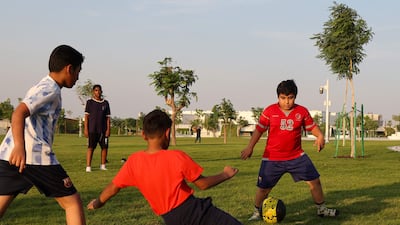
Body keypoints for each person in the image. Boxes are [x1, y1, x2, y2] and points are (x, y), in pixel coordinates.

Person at [87, 109, 243, 225]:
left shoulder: (133, 162)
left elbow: (113, 187)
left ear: (143, 134)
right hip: (196, 213)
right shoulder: (176, 157)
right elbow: (202, 184)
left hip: (171, 219)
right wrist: (226, 174)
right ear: (167, 133)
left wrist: (97, 202)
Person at [0, 45, 86, 224]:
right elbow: (18, 113)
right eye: (78, 71)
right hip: (34, 156)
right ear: (69, 68)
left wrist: (17, 149)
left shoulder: (43, 85)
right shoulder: (50, 89)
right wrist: (20, 147)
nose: (78, 77)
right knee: (73, 203)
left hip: (9, 156)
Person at [240, 79, 338, 220]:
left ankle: (321, 209)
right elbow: (258, 130)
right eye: (283, 98)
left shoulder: (301, 111)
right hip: (272, 158)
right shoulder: (269, 111)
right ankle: (256, 212)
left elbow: (312, 128)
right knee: (263, 189)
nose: (287, 102)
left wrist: (320, 136)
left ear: (295, 97)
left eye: (290, 98)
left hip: (296, 156)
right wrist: (250, 147)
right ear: (278, 97)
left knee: (314, 181)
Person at [84, 84, 111, 172]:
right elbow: (86, 117)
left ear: (101, 91)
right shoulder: (89, 102)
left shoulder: (105, 103)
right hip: (92, 129)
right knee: (90, 147)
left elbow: (108, 118)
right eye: (96, 90)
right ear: (93, 92)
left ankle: (102, 165)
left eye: (99, 90)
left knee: (104, 147)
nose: (97, 92)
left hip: (103, 130)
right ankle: (88, 166)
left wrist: (108, 129)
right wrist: (86, 129)